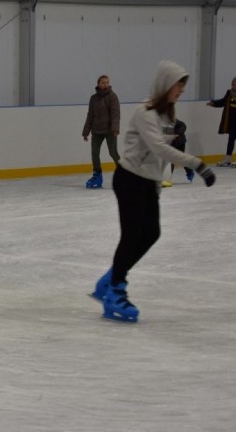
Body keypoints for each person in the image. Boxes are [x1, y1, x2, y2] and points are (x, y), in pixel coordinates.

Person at [90, 61, 215, 323]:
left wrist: (157, 186)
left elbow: (159, 158)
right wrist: (197, 164)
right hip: (129, 179)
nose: (181, 91)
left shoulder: (168, 115)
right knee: (132, 234)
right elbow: (159, 149)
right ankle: (115, 290)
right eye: (178, 86)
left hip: (147, 182)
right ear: (165, 85)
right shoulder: (144, 112)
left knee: (152, 233)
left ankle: (111, 279)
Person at [82, 75, 121, 188]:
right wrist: (86, 132)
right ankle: (97, 175)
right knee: (94, 153)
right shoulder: (93, 98)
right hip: (97, 130)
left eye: (107, 82)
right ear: (98, 84)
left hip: (110, 131)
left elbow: (115, 114)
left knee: (113, 152)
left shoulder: (112, 97)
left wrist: (115, 128)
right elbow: (90, 115)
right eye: (103, 82)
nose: (105, 84)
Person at [206, 77, 236, 167]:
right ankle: (228, 158)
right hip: (232, 121)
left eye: (235, 85)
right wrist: (214, 103)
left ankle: (228, 158)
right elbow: (223, 102)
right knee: (231, 139)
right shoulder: (229, 93)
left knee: (232, 138)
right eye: (233, 84)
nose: (233, 86)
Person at [161, 119, 194, 187]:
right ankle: (166, 178)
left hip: (179, 142)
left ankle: (189, 170)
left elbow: (183, 125)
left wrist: (177, 134)